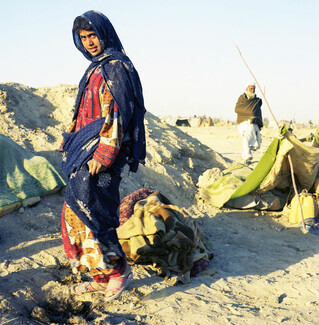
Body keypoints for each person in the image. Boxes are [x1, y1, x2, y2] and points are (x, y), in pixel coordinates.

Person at [60, 10, 146, 301]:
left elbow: (117, 114)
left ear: (104, 33)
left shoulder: (116, 67)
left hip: (101, 155)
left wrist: (105, 153)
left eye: (93, 35)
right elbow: (83, 113)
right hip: (84, 151)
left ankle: (119, 270)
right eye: (83, 38)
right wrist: (70, 138)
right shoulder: (95, 68)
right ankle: (100, 276)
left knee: (95, 212)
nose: (89, 42)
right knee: (75, 213)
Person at [235, 82, 263, 164]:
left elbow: (256, 111)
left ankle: (246, 156)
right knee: (246, 138)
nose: (252, 90)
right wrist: (250, 113)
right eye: (251, 88)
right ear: (246, 89)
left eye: (254, 88)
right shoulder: (241, 99)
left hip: (253, 122)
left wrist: (253, 115)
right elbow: (237, 109)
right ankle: (246, 156)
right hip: (243, 122)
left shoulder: (256, 101)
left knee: (247, 138)